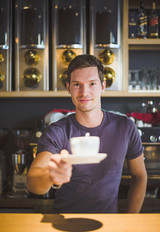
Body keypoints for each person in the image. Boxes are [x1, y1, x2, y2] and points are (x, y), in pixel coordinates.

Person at [27, 54, 147, 213]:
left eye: (92, 83)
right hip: (65, 224)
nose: (84, 92)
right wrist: (51, 176)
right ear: (69, 87)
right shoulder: (57, 131)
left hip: (110, 226)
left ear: (103, 86)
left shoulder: (125, 126)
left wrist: (131, 219)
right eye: (77, 84)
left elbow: (140, 176)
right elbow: (32, 182)